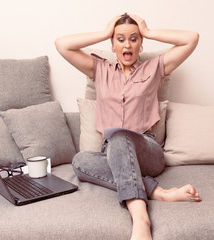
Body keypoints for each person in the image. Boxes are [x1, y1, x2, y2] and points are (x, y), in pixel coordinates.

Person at [55, 13, 201, 240]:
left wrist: (148, 31)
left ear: (141, 45)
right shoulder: (99, 70)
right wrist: (105, 32)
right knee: (79, 161)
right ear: (112, 45)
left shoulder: (154, 69)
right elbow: (62, 45)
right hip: (111, 153)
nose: (127, 44)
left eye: (134, 39)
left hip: (147, 151)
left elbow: (191, 38)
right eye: (120, 39)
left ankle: (141, 219)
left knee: (121, 136)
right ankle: (157, 192)